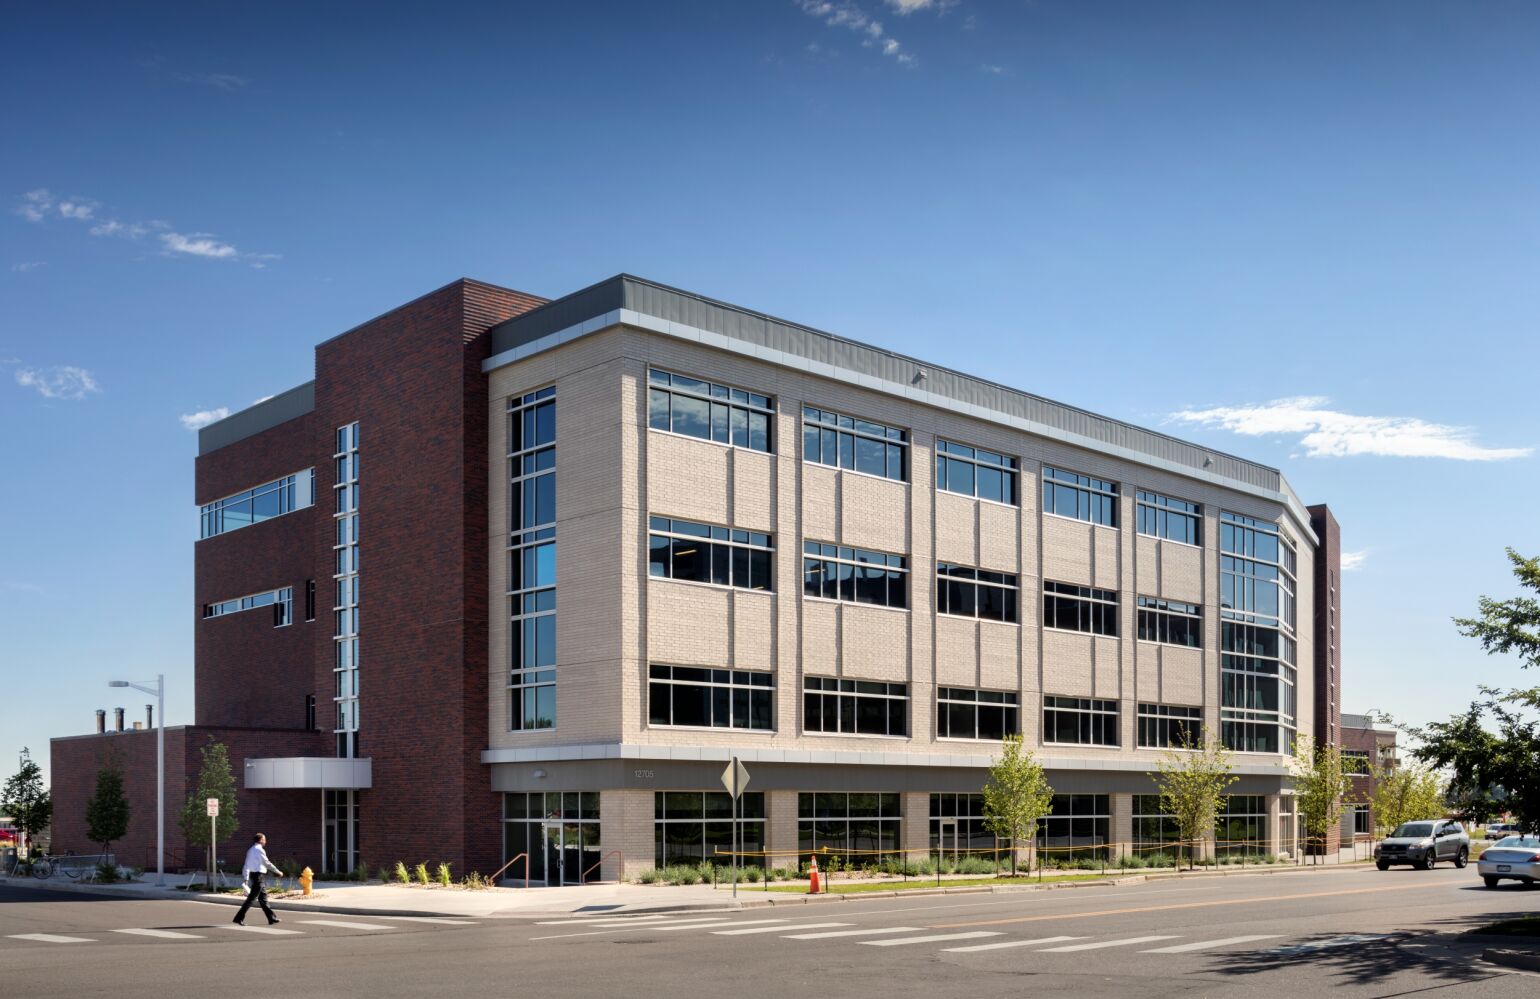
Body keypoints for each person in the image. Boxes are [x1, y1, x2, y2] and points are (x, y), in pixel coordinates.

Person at [233, 833, 284, 926]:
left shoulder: (250, 850)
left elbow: (246, 865)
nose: (265, 841)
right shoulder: (259, 850)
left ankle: (271, 918)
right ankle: (238, 918)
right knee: (251, 899)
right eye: (264, 839)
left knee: (263, 898)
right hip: (258, 876)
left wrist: (246, 877)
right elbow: (267, 863)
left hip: (255, 875)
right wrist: (278, 871)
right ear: (260, 840)